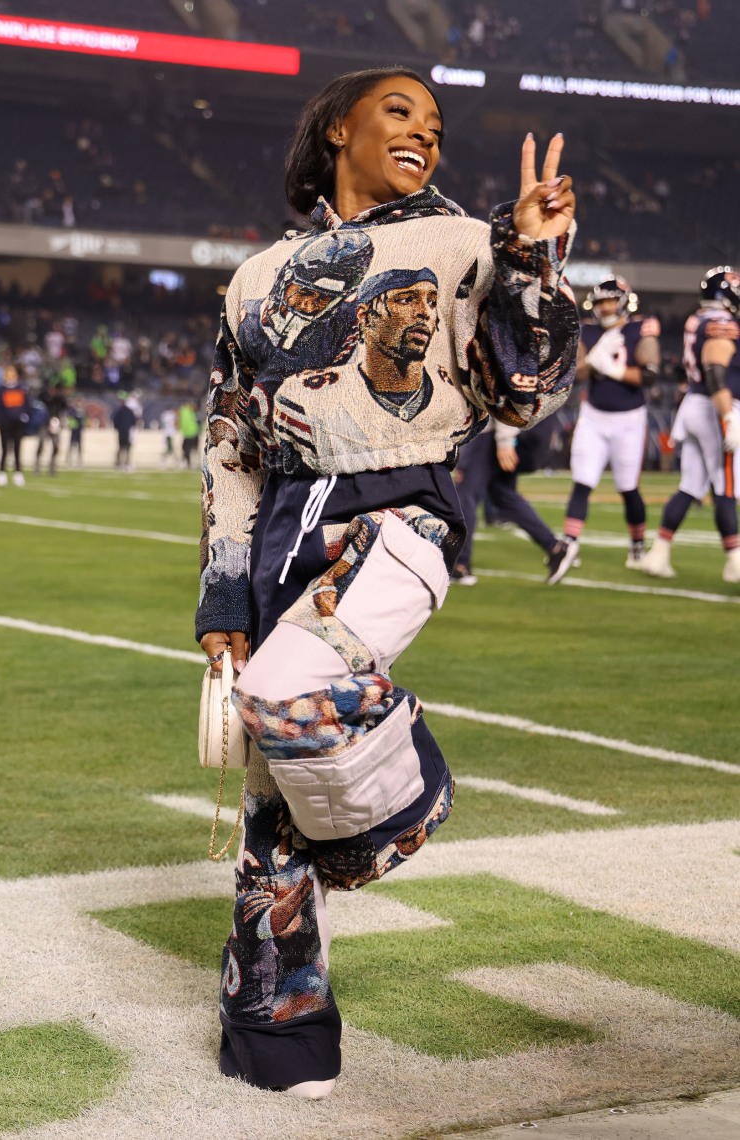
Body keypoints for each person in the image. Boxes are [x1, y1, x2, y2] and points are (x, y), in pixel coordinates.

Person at [196, 67, 578, 1098]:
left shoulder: (466, 242)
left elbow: (524, 396)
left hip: (401, 517)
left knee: (292, 697)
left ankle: (401, 806)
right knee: (269, 816)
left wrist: (534, 253)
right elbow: (231, 444)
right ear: (335, 129)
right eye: (399, 112)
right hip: (284, 530)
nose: (424, 134)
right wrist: (223, 599)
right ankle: (278, 1040)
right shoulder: (251, 278)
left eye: (435, 124)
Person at [549, 277, 661, 584]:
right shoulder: (588, 329)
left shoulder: (641, 327)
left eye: (610, 301)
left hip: (629, 418)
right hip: (594, 416)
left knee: (628, 487)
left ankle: (637, 545)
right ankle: (570, 543)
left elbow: (650, 374)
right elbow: (577, 372)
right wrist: (594, 364)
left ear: (624, 301)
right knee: (582, 481)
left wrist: (613, 370)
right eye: (601, 303)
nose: (606, 307)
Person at [641, 266, 740, 582]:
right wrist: (728, 415)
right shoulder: (722, 323)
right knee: (725, 486)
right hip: (716, 406)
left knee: (691, 485)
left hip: (697, 405)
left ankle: (658, 553)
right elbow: (715, 370)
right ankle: (735, 562)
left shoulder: (700, 318)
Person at [452, 413, 570, 584]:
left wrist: (505, 440)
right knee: (502, 496)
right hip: (499, 431)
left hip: (488, 430)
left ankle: (460, 565)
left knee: (465, 494)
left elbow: (501, 393)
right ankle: (555, 547)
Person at [0, 364, 30, 486]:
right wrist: (1, 419)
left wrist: (24, 416)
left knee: (17, 448)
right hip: (5, 424)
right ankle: (2, 472)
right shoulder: (0, 390)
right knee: (4, 448)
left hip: (18, 424)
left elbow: (27, 405)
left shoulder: (22, 389)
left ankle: (18, 472)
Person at [112, 391, 137, 470]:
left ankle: (123, 462)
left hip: (125, 431)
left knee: (125, 447)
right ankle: (121, 462)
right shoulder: (123, 411)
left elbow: (133, 421)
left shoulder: (125, 411)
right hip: (125, 431)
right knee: (123, 447)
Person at [178, 400, 200, 467]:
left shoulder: (189, 412)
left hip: (191, 433)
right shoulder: (187, 411)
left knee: (189, 449)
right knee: (187, 449)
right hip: (190, 433)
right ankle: (189, 463)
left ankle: (190, 463)